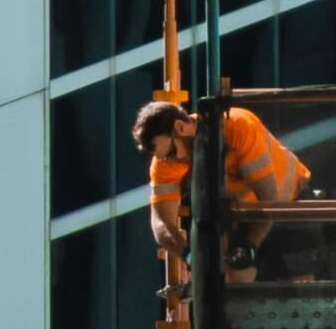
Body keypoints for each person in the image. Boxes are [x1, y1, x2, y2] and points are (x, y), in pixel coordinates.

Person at [134, 100, 321, 280]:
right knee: (233, 288)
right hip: (242, 215)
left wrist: (249, 245)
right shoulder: (164, 162)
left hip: (289, 203)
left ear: (181, 127)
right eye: (166, 159)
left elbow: (269, 198)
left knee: (299, 289)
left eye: (172, 154)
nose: (172, 162)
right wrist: (190, 256)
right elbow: (161, 223)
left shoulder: (237, 127)